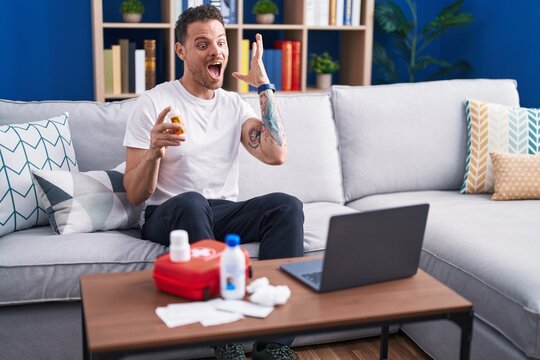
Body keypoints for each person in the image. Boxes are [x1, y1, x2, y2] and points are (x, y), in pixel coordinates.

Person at [123, 4, 304, 360]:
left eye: (221, 43)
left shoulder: (234, 105)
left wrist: (264, 84)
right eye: (203, 44)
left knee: (287, 205)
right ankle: (226, 336)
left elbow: (276, 154)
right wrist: (154, 153)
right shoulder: (154, 103)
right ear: (181, 51)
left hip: (220, 211)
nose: (216, 51)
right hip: (169, 214)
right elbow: (133, 194)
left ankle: (274, 346)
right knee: (192, 201)